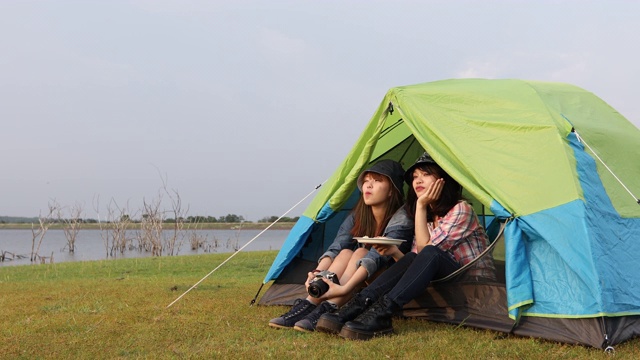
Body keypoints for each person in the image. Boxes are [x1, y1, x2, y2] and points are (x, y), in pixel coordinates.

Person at [316, 151, 494, 340]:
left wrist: (420, 204)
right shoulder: (425, 217)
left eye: (425, 174)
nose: (418, 181)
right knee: (410, 256)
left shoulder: (461, 209)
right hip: (440, 278)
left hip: (472, 283)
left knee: (431, 252)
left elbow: (428, 252)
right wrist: (393, 252)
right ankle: (358, 305)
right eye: (415, 177)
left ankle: (383, 313)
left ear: (443, 180)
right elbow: (417, 262)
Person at [268, 159, 414, 332]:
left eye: (377, 181)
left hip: (387, 279)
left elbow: (376, 258)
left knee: (360, 252)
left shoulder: (402, 217)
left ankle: (329, 307)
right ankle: (309, 304)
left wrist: (344, 288)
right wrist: (316, 274)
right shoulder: (358, 215)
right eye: (366, 181)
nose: (369, 185)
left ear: (392, 191)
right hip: (362, 276)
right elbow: (337, 247)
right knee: (345, 252)